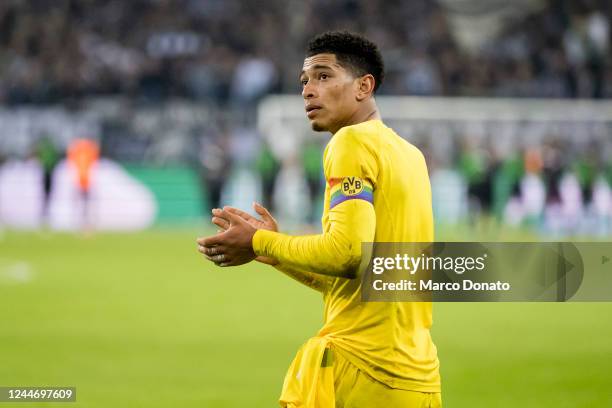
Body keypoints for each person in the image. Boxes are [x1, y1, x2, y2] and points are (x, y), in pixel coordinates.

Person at [197, 31, 441, 407]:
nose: (308, 90)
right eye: (305, 81)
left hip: (364, 370)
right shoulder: (410, 155)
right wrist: (275, 253)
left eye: (324, 76)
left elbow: (346, 253)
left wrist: (258, 241)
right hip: (416, 378)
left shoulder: (350, 142)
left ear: (364, 86)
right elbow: (365, 276)